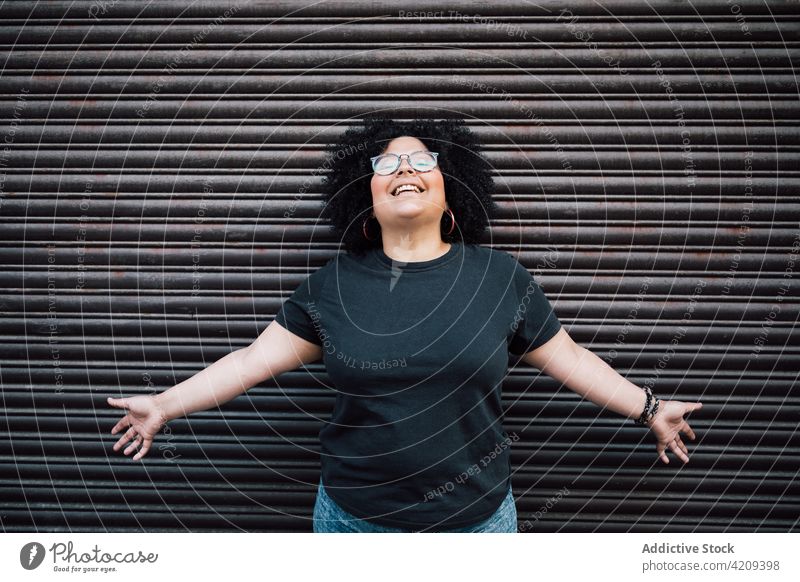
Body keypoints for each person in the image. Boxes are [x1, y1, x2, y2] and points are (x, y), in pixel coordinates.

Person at [107, 115, 703, 533]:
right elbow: (247, 363)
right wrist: (165, 404)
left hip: (478, 525)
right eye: (386, 162)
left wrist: (649, 409)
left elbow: (570, 359)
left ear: (452, 188)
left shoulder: (501, 278)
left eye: (422, 160)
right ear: (365, 193)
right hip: (351, 523)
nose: (404, 169)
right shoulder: (331, 286)